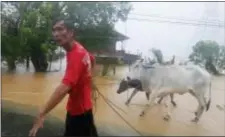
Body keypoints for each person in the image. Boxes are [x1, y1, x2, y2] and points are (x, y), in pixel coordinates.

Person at [29, 19, 98, 137]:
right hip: (84, 109)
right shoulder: (76, 48)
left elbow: (64, 88)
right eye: (54, 30)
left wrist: (42, 112)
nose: (56, 34)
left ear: (71, 32)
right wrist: (90, 80)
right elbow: (92, 59)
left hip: (79, 114)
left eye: (60, 29)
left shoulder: (76, 54)